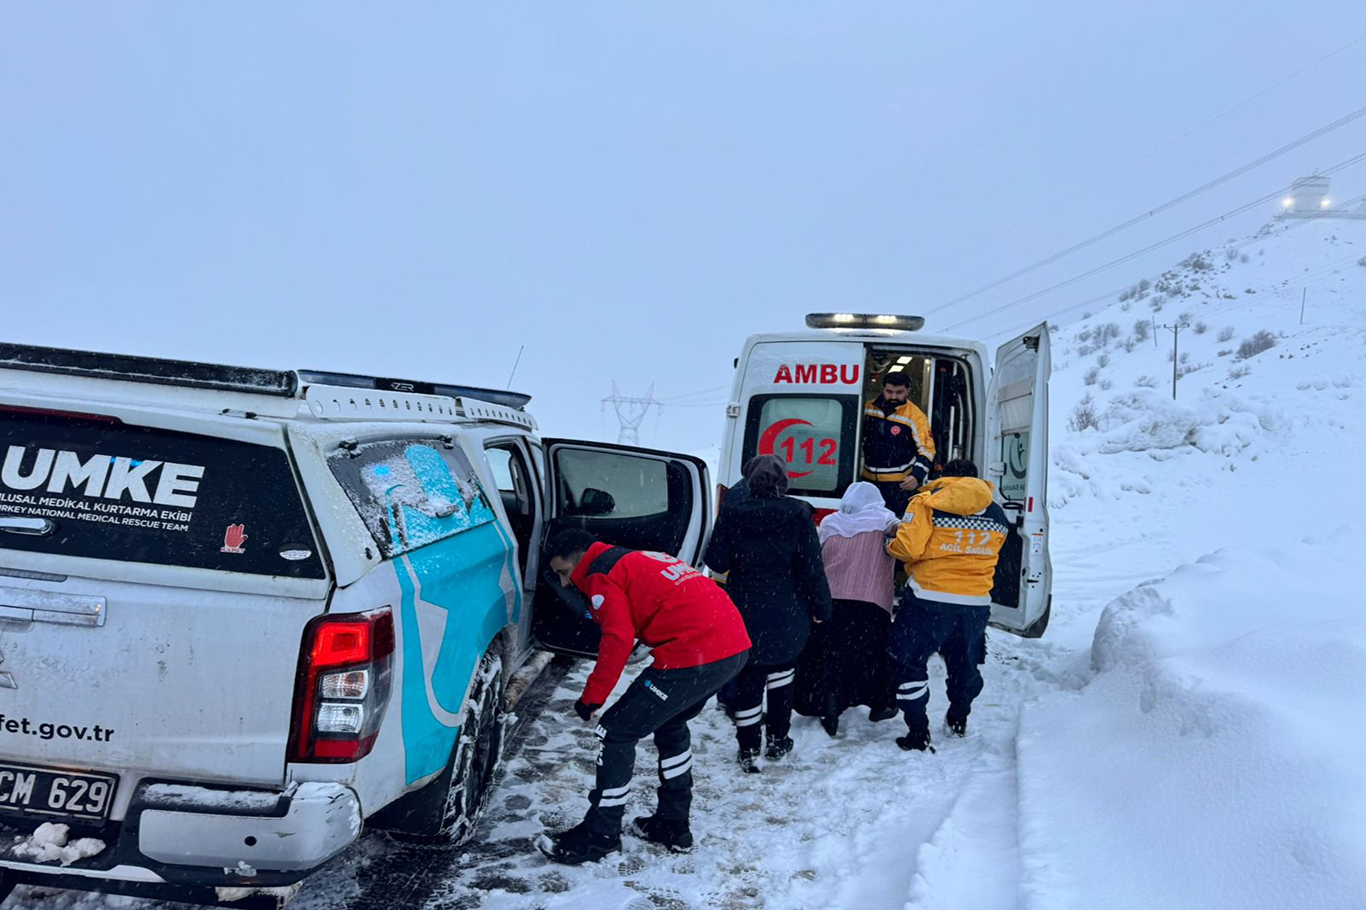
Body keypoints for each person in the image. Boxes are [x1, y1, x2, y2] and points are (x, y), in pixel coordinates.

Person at [537, 529, 751, 865]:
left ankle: (600, 835)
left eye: (564, 573)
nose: (565, 584)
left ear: (580, 555)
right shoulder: (630, 557)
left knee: (616, 731)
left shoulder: (600, 577)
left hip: (694, 655)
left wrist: (592, 698)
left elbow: (617, 640)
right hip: (731, 648)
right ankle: (673, 823)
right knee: (671, 723)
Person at [704, 455, 832, 772]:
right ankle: (777, 740)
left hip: (744, 606)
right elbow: (812, 569)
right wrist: (821, 608)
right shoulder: (799, 513)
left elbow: (716, 561)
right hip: (787, 607)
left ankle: (748, 750)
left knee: (749, 676)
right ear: (784, 482)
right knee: (782, 675)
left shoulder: (733, 513)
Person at [884, 459, 1009, 752]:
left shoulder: (926, 502)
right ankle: (958, 717)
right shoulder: (996, 512)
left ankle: (918, 731)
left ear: (943, 476)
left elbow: (908, 548)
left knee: (908, 661)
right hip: (975, 603)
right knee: (964, 663)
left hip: (928, 599)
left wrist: (888, 545)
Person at [794, 481, 902, 736]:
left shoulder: (831, 524)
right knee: (870, 656)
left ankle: (829, 704)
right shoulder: (887, 522)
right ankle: (879, 704)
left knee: (830, 657)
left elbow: (815, 558)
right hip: (871, 602)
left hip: (832, 601)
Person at [862, 370, 935, 515]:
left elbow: (928, 450)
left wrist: (917, 475)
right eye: (889, 392)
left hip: (898, 484)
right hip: (867, 480)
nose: (893, 396)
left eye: (899, 392)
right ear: (883, 389)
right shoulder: (868, 408)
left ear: (907, 391)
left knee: (897, 526)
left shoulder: (916, 416)